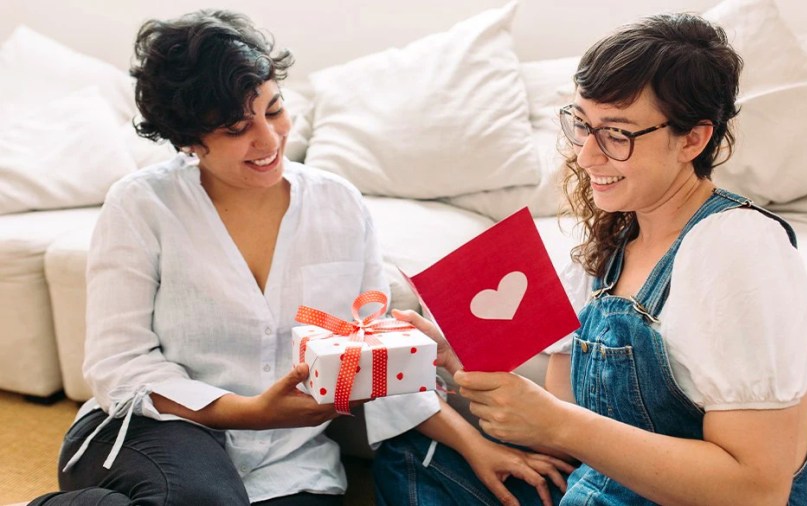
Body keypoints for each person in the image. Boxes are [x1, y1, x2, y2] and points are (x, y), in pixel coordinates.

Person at [29, 9, 571, 506]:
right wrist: (248, 412)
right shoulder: (141, 206)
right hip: (155, 431)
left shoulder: (338, 204)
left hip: (293, 464)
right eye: (236, 129)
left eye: (274, 109)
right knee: (205, 502)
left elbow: (376, 355)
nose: (268, 139)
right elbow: (119, 366)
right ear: (189, 140)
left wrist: (476, 446)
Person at [380, 12, 807, 506]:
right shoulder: (611, 242)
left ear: (693, 139)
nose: (587, 156)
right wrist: (459, 361)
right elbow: (563, 417)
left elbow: (757, 490)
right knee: (414, 452)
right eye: (583, 124)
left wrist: (558, 424)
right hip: (595, 491)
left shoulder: (738, 250)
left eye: (617, 134)